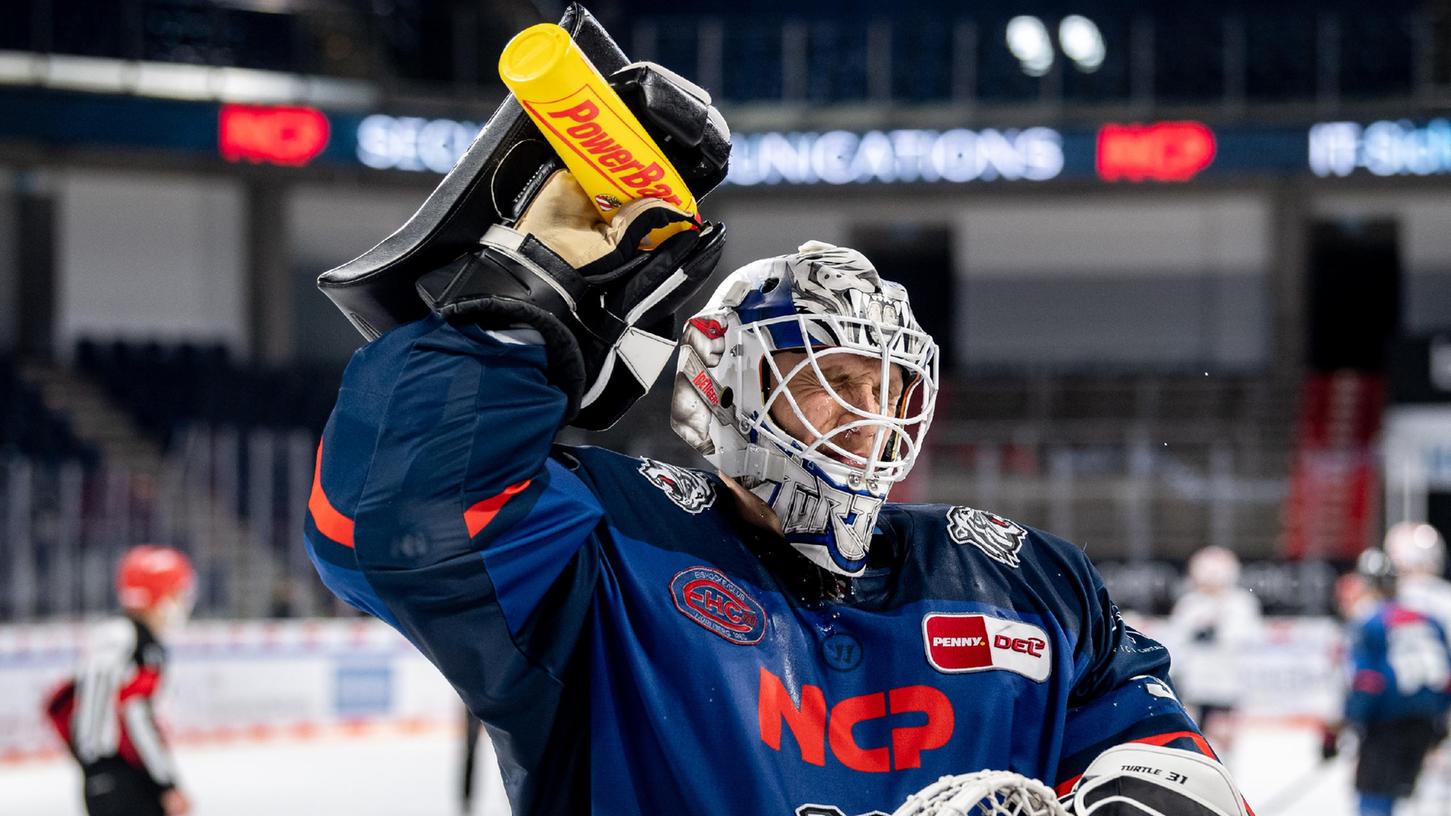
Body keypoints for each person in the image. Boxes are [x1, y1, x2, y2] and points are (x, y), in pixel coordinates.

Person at [305, 169, 1249, 815]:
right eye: (828, 376)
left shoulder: (1025, 579)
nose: (867, 413)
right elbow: (392, 525)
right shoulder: (602, 546)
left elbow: (1162, 750)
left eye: (887, 386)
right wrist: (514, 317)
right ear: (724, 384)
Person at [45, 545, 195, 816]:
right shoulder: (142, 643)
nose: (182, 602)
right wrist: (167, 784)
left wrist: (92, 766)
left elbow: (59, 705)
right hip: (131, 781)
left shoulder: (105, 633)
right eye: (177, 593)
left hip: (97, 784)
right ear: (159, 595)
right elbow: (136, 716)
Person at [1327, 549, 1451, 816]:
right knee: (1406, 799)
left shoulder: (1369, 622)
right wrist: (1439, 720)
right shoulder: (1430, 619)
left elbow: (1366, 682)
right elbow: (1446, 676)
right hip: (1425, 723)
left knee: (1373, 800)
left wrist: (1349, 723)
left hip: (1386, 726)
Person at [1166, 546, 1263, 757]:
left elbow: (1245, 637)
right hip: (1194, 685)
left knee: (1223, 745)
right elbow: (1177, 639)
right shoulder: (1189, 603)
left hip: (1226, 686)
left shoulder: (1239, 603)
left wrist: (1215, 633)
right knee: (1192, 742)